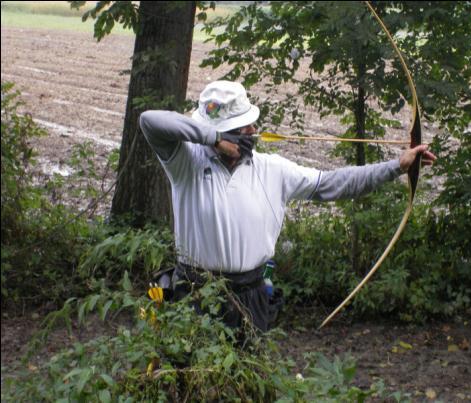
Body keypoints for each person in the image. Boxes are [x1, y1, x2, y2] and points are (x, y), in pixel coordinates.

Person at [139, 80, 436, 332]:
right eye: (244, 127)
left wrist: (397, 166)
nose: (254, 130)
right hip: (194, 294)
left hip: (250, 296)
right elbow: (150, 121)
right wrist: (214, 138)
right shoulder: (186, 163)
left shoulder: (273, 169)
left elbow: (333, 183)